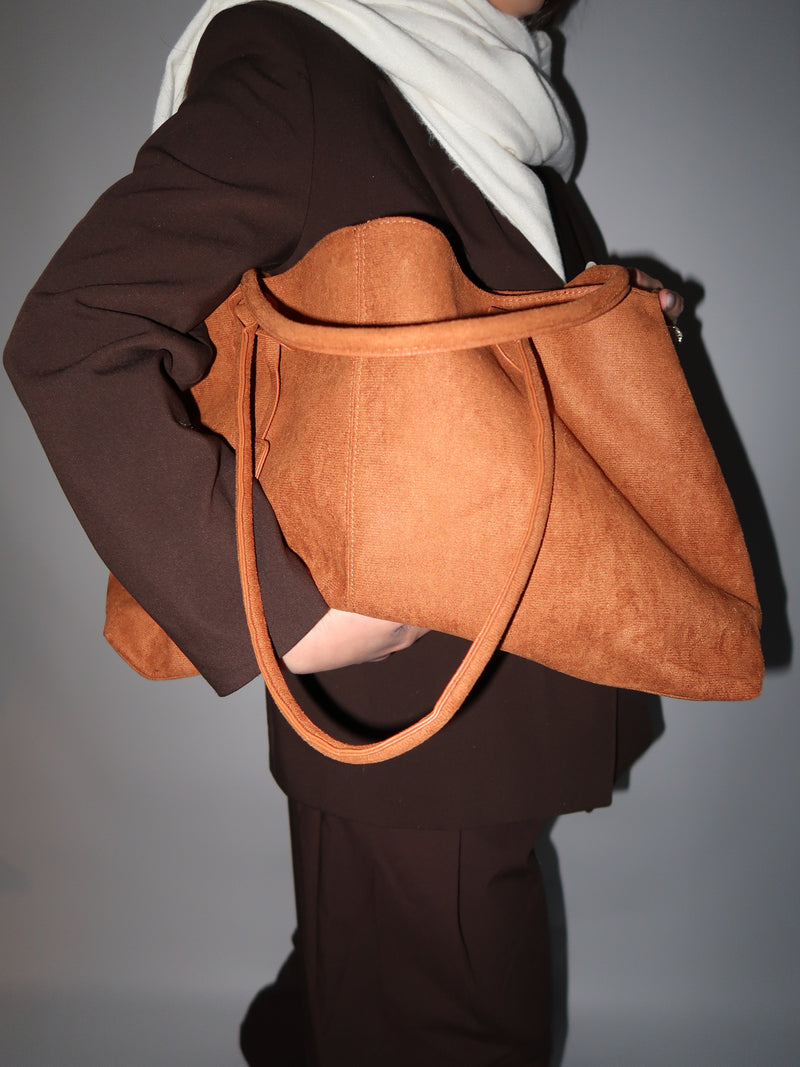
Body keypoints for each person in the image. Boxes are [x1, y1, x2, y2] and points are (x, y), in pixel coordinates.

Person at [4, 0, 683, 1063]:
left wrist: (606, 316)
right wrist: (284, 613)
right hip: (421, 699)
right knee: (441, 1021)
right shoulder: (313, 62)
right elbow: (73, 335)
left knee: (359, 981)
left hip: (495, 662)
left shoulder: (483, 93)